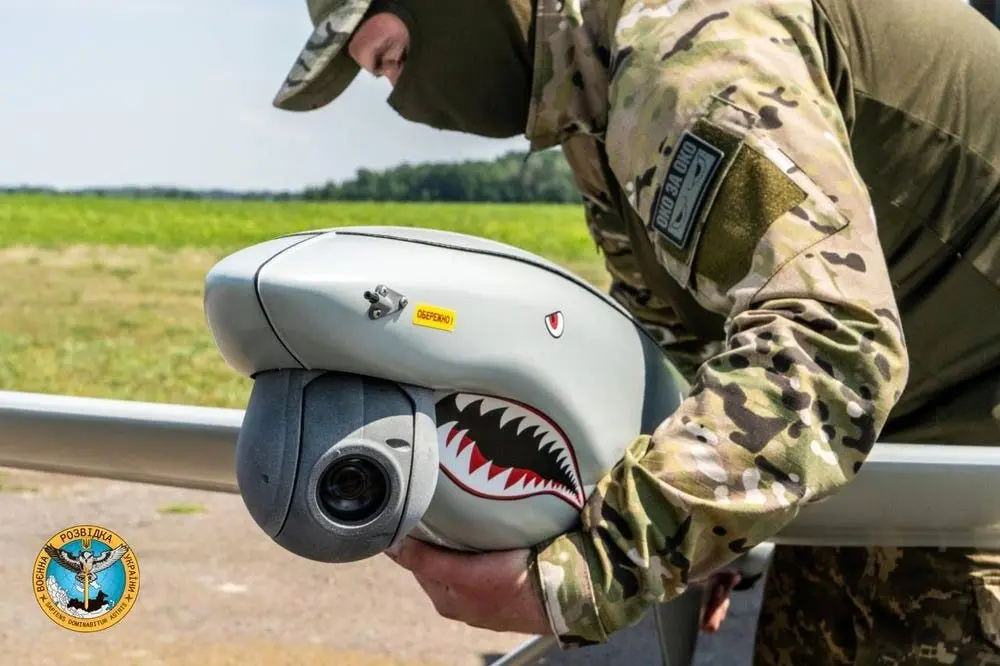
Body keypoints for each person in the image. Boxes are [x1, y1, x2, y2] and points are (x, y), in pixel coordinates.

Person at [270, 0, 1000, 662]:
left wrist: (593, 570)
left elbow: (832, 345)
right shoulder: (602, 99)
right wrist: (702, 533)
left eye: (394, 58)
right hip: (887, 454)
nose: (401, 98)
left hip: (968, 473)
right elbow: (692, 340)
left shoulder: (691, 48)